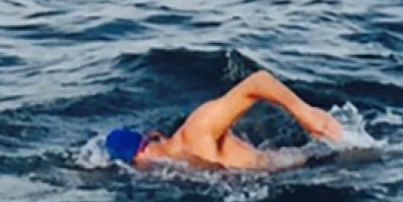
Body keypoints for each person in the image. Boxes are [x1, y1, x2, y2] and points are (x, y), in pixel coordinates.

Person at [105, 71, 343, 170]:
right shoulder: (179, 164)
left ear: (139, 158)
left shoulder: (194, 134)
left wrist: (305, 113)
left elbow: (258, 81)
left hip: (328, 159)